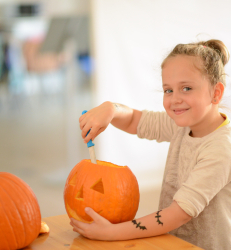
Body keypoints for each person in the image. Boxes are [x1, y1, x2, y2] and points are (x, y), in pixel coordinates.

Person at [70, 39, 231, 250]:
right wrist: (111, 109)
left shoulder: (220, 148)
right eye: (168, 90)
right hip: (172, 243)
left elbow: (178, 214)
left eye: (186, 88)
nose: (175, 99)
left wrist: (112, 233)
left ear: (216, 93)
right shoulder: (183, 124)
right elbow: (135, 121)